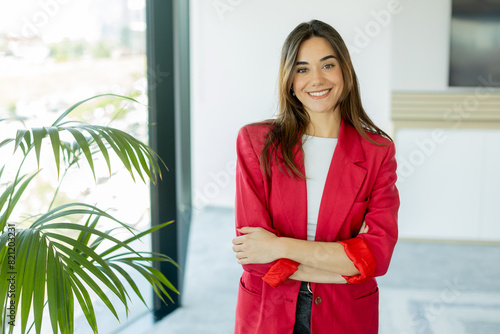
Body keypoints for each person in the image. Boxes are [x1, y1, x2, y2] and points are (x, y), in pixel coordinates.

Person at [231, 19, 399, 334]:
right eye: (302, 68)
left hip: (346, 313)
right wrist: (347, 263)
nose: (316, 79)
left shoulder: (377, 151)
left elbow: (377, 257)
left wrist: (279, 246)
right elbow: (255, 258)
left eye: (327, 65)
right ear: (289, 79)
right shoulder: (255, 143)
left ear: (345, 71)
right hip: (268, 309)